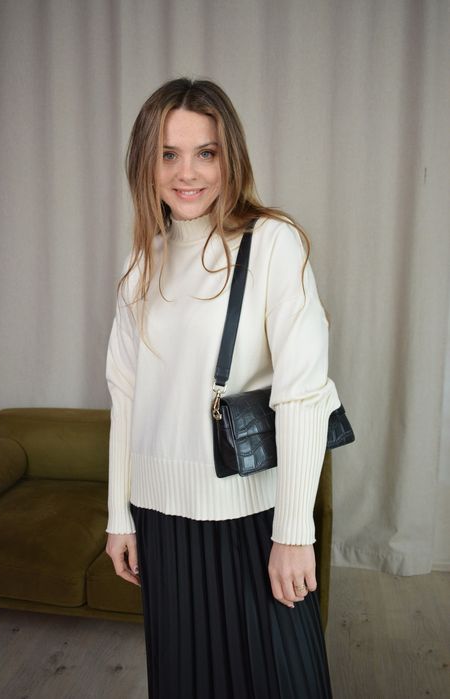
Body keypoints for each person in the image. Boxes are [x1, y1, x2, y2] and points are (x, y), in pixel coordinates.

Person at [105, 77, 341, 699]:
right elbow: (124, 397)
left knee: (282, 680)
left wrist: (294, 531)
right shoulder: (141, 264)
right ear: (146, 164)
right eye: (169, 154)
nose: (187, 173)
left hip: (252, 515)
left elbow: (302, 394)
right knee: (186, 680)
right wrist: (119, 515)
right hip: (161, 520)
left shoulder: (273, 243)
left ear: (228, 157)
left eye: (205, 153)